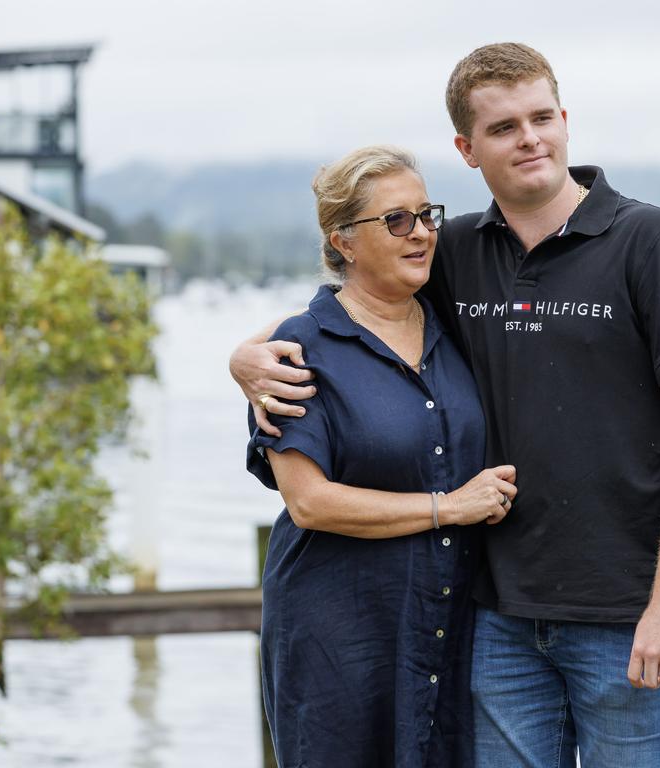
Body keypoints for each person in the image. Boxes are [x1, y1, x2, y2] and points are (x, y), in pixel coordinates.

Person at [232, 44, 660, 767]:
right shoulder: (455, 248)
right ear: (467, 149)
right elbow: (346, 313)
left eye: (541, 118)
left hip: (624, 615)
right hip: (494, 619)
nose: (530, 139)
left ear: (565, 121)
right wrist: (245, 357)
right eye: (503, 128)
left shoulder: (649, 242)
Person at [246, 145, 517, 768]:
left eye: (428, 215)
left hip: (449, 631)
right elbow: (309, 502)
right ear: (343, 240)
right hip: (339, 637)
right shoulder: (297, 350)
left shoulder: (456, 329)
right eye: (398, 221)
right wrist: (448, 508)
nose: (422, 233)